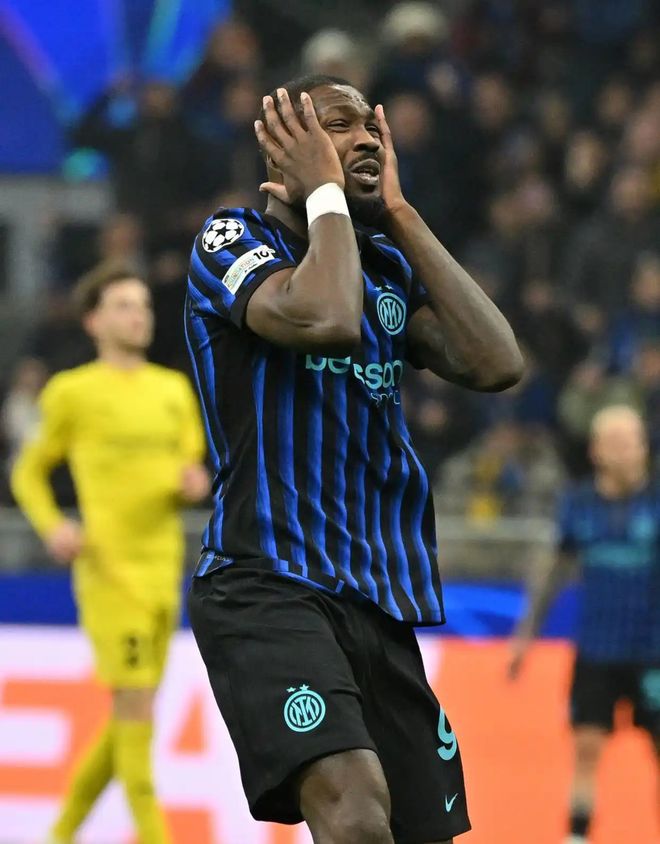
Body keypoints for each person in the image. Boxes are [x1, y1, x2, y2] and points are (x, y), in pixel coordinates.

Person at [185, 73, 523, 843]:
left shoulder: (384, 264)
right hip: (266, 582)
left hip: (377, 597)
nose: (368, 137)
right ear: (287, 145)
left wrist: (398, 213)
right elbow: (326, 317)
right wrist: (327, 198)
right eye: (340, 125)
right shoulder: (231, 240)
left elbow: (497, 362)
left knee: (417, 833)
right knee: (357, 812)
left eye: (373, 126)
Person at [10, 262, 210, 844]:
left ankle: (60, 834)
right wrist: (54, 527)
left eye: (143, 305)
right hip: (109, 574)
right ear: (93, 321)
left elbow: (192, 467)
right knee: (137, 719)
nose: (138, 315)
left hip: (163, 573)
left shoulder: (172, 390)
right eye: (123, 305)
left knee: (129, 719)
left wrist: (192, 482)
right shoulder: (71, 391)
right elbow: (28, 471)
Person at [509, 405, 660, 844]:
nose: (627, 451)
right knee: (587, 748)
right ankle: (577, 837)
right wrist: (525, 636)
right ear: (596, 451)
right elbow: (552, 574)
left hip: (653, 650)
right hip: (596, 648)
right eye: (616, 443)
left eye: (633, 442)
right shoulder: (578, 504)